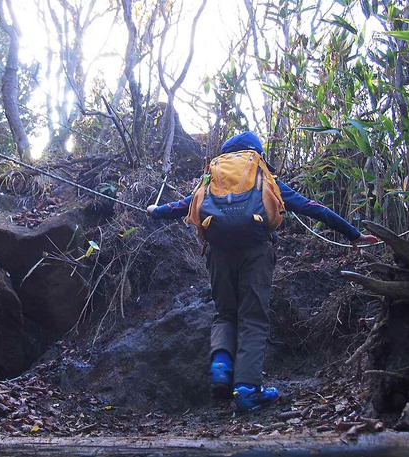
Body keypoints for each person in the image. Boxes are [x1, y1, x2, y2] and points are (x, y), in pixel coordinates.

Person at [147, 131, 379, 412]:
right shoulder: (263, 178)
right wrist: (353, 235)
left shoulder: (213, 179)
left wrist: (155, 210)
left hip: (218, 252)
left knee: (225, 314)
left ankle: (221, 368)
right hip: (256, 251)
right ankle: (247, 390)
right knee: (253, 317)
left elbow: (182, 206)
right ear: (257, 155)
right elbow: (312, 208)